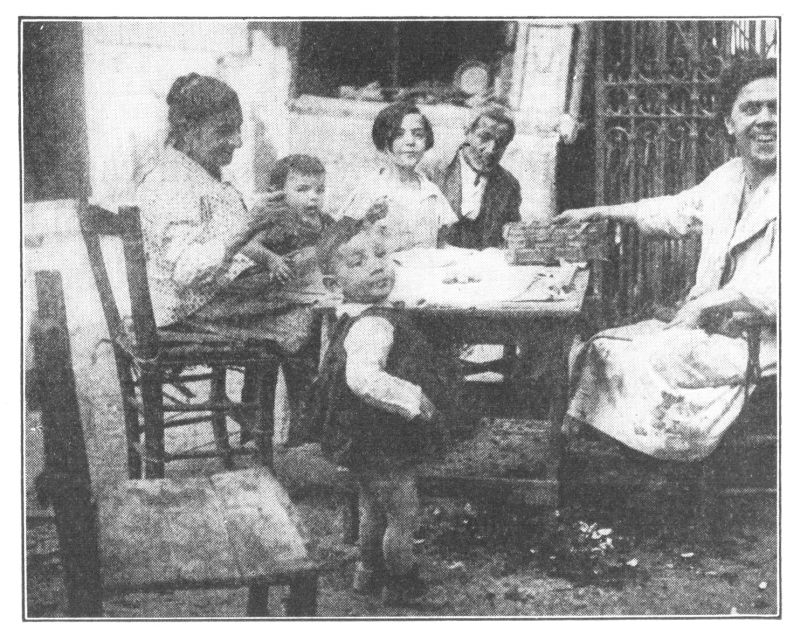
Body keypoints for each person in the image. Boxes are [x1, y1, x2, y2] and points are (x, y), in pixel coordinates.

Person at [554, 55, 777, 461]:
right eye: (751, 109)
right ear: (730, 123)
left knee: (644, 356)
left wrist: (707, 304)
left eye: (778, 108)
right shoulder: (729, 177)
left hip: (765, 343)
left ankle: (658, 466)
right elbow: (673, 210)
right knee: (599, 347)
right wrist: (599, 212)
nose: (766, 120)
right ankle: (628, 459)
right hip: (712, 334)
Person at [136, 73, 321, 446]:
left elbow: (217, 233)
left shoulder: (193, 173)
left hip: (206, 301)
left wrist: (255, 220)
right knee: (315, 302)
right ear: (187, 128)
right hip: (187, 312)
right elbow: (187, 271)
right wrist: (246, 228)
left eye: (238, 130)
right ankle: (304, 429)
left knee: (309, 283)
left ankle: (277, 423)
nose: (236, 142)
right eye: (224, 131)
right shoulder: (169, 182)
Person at [306, 218, 477, 606]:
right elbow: (363, 380)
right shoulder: (373, 325)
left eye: (381, 255)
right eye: (357, 262)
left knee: (372, 505)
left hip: (361, 438)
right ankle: (400, 583)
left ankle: (367, 573)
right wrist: (414, 400)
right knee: (402, 513)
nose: (376, 266)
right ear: (334, 284)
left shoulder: (355, 313)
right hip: (381, 435)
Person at [340, 101, 458, 252]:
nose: (410, 142)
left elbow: (441, 244)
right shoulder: (370, 189)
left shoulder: (431, 193)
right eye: (398, 135)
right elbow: (343, 241)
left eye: (418, 134)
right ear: (384, 142)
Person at [431, 103, 522, 250]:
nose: (491, 149)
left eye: (501, 142)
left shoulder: (509, 185)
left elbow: (511, 236)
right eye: (484, 137)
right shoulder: (433, 171)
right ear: (468, 132)